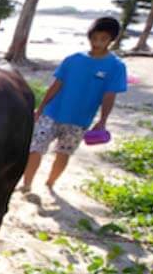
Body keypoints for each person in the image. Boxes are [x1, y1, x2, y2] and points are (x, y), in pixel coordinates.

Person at [20, 16, 128, 195]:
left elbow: (109, 96)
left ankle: (50, 183)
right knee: (35, 148)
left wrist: (103, 121)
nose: (97, 43)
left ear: (111, 40)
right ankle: (27, 184)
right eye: (94, 38)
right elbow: (56, 85)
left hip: (79, 120)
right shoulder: (73, 59)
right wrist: (40, 108)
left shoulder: (116, 66)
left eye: (102, 39)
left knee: (63, 154)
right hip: (52, 113)